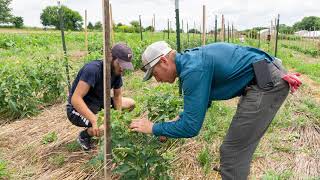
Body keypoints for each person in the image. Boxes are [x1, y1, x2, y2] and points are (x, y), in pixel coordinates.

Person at [130, 41, 302, 179]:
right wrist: (172, 124)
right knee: (234, 150)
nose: (157, 79)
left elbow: (191, 127)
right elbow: (200, 105)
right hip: (262, 74)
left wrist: (152, 127)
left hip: (267, 82)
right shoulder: (191, 61)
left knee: (233, 152)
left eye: (154, 73)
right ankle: (234, 171)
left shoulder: (193, 70)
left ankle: (233, 171)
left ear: (164, 61)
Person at [67, 43, 135, 151]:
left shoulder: (116, 72)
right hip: (78, 109)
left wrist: (118, 118)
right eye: (120, 63)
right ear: (111, 58)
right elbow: (75, 99)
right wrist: (94, 120)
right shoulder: (92, 69)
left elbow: (117, 96)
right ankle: (85, 135)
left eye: (125, 65)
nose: (122, 68)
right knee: (105, 127)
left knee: (130, 103)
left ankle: (102, 125)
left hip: (100, 103)